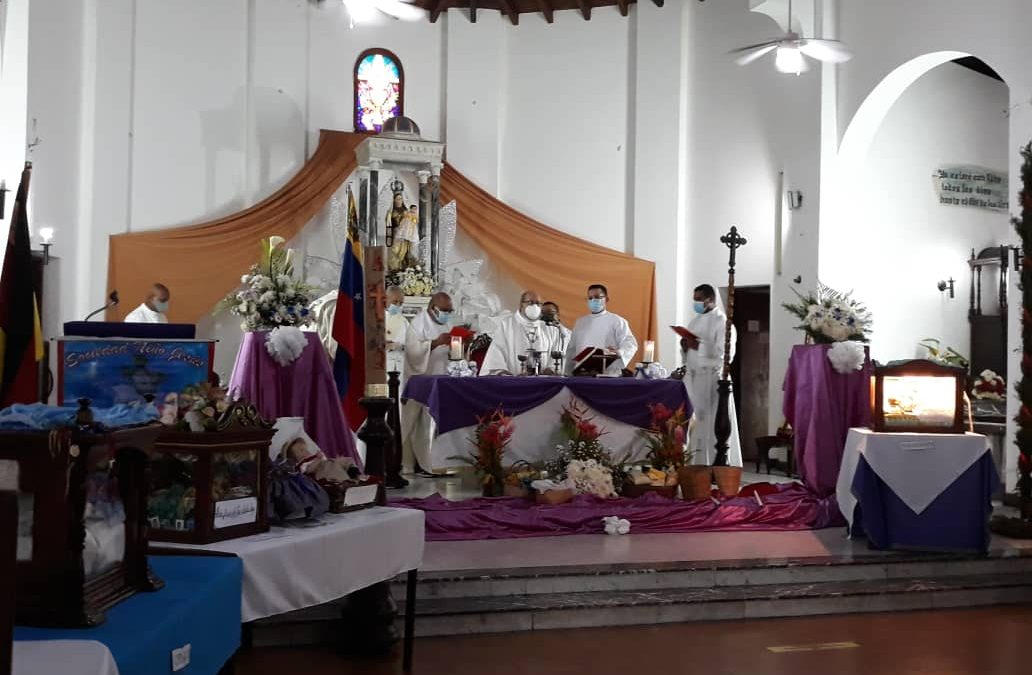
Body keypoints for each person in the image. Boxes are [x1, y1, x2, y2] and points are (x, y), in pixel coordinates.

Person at [681, 284, 742, 467]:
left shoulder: (722, 322)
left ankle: (717, 464)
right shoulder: (694, 321)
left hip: (713, 379)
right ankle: (696, 463)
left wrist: (698, 346)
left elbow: (725, 355)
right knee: (697, 423)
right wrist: (685, 347)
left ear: (711, 299)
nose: (696, 303)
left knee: (712, 422)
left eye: (699, 299)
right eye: (695, 299)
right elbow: (689, 352)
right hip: (695, 378)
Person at [401, 292, 454, 476]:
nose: (448, 314)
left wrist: (461, 343)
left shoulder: (448, 324)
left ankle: (436, 464)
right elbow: (413, 352)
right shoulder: (417, 324)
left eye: (450, 310)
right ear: (433, 308)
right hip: (420, 380)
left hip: (442, 380)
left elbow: (453, 354)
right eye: (445, 310)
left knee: (436, 425)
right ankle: (412, 464)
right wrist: (434, 343)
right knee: (415, 425)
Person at [480, 291, 563, 375]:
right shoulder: (507, 325)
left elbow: (556, 352)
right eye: (530, 302)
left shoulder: (547, 328)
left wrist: (550, 368)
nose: (534, 306)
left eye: (538, 303)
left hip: (542, 382)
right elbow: (497, 350)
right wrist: (501, 371)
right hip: (514, 382)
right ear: (521, 305)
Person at [565, 284, 638, 376]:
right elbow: (572, 349)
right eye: (590, 298)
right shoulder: (580, 322)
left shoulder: (617, 321)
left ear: (606, 299)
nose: (593, 300)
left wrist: (620, 352)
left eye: (597, 297)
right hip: (582, 373)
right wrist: (568, 371)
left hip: (608, 373)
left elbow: (630, 344)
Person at [385, 285, 407, 374]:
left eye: (401, 303)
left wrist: (401, 345)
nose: (398, 305)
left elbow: (412, 344)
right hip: (383, 365)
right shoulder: (376, 319)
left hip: (400, 365)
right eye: (395, 302)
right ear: (386, 299)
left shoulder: (404, 322)